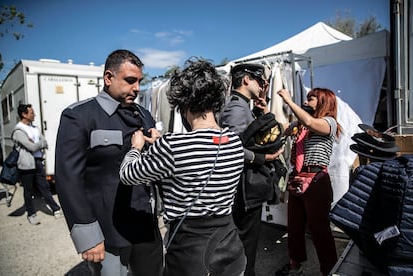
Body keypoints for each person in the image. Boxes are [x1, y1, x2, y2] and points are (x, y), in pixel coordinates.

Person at [119, 58, 247, 276]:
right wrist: (163, 145)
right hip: (230, 245)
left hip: (190, 253)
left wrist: (136, 148)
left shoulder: (172, 146)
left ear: (183, 104)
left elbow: (127, 175)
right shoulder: (234, 142)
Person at [55, 49, 163, 276]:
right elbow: (69, 180)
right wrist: (88, 235)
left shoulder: (144, 115)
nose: (136, 88)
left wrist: (157, 146)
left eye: (139, 82)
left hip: (145, 226)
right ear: (108, 78)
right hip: (108, 231)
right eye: (130, 81)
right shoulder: (79, 116)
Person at [219, 63, 285, 276]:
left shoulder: (243, 106)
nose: (263, 85)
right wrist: (262, 157)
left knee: (247, 244)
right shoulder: (236, 108)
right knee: (246, 245)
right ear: (246, 79)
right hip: (244, 186)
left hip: (247, 185)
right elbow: (232, 147)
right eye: (259, 80)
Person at [275, 88, 341, 276]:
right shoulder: (302, 125)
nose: (306, 101)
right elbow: (284, 132)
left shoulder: (329, 123)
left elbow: (310, 121)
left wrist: (289, 100)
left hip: (316, 182)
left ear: (323, 102)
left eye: (311, 98)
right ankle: (295, 266)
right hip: (297, 178)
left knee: (320, 232)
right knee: (294, 228)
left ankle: (330, 271)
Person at [12, 104, 63, 225]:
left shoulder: (34, 128)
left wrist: (37, 143)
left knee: (44, 187)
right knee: (28, 190)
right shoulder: (18, 130)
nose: (34, 115)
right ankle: (31, 214)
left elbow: (44, 142)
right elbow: (33, 146)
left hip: (38, 162)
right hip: (26, 164)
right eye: (31, 113)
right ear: (24, 114)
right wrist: (38, 143)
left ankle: (55, 209)